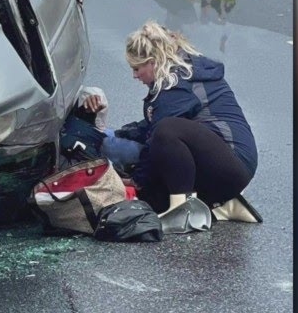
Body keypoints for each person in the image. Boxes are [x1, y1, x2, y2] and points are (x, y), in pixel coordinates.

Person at [88, 21, 258, 222]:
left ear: (153, 61)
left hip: (232, 161)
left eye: (137, 68)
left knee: (167, 131)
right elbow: (151, 126)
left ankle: (183, 210)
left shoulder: (177, 82)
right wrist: (120, 133)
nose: (134, 75)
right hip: (225, 164)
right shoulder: (180, 73)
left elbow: (159, 134)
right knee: (151, 199)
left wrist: (137, 180)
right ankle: (222, 204)